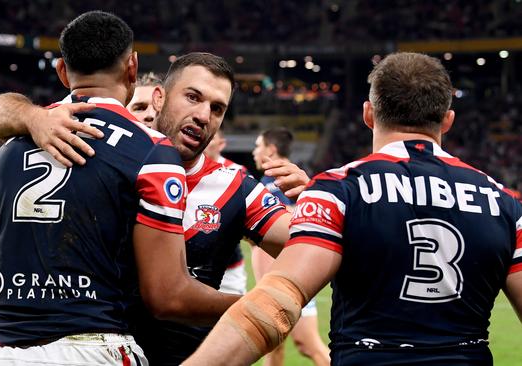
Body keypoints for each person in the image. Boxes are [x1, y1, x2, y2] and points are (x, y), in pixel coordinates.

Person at [184, 52, 522, 366]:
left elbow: (276, 302)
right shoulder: (506, 203)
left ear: (368, 114)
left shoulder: (339, 190)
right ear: (447, 120)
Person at [0, 51, 311, 365]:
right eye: (192, 97)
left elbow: (309, 241)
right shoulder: (103, 164)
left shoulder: (235, 187)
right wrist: (31, 116)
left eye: (218, 108)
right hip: (98, 349)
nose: (203, 115)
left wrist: (316, 200)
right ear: (159, 100)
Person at [251, 128, 330, 366]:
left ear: (271, 150)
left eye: (258, 146)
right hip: (294, 277)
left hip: (287, 281)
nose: (255, 152)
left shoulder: (272, 187)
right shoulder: (298, 179)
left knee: (309, 346)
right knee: (273, 348)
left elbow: (273, 239)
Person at [203, 130, 250, 297]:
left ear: (221, 144)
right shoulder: (184, 168)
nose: (207, 141)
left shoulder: (237, 172)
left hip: (228, 267)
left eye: (212, 137)